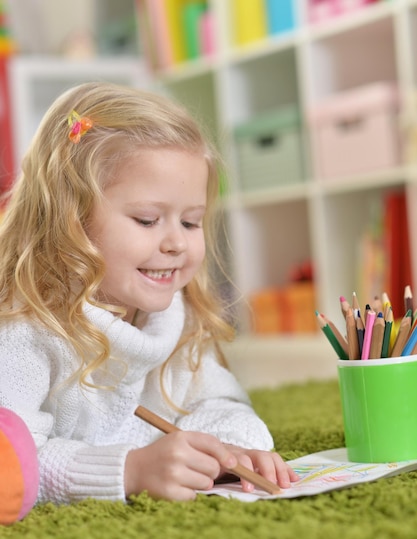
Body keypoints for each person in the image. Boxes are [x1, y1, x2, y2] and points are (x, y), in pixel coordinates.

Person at [0, 82, 298, 505]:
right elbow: (13, 464)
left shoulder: (173, 312)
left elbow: (219, 400)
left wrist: (229, 448)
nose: (176, 243)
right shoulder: (23, 328)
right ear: (69, 220)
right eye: (146, 220)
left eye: (191, 222)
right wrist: (131, 470)